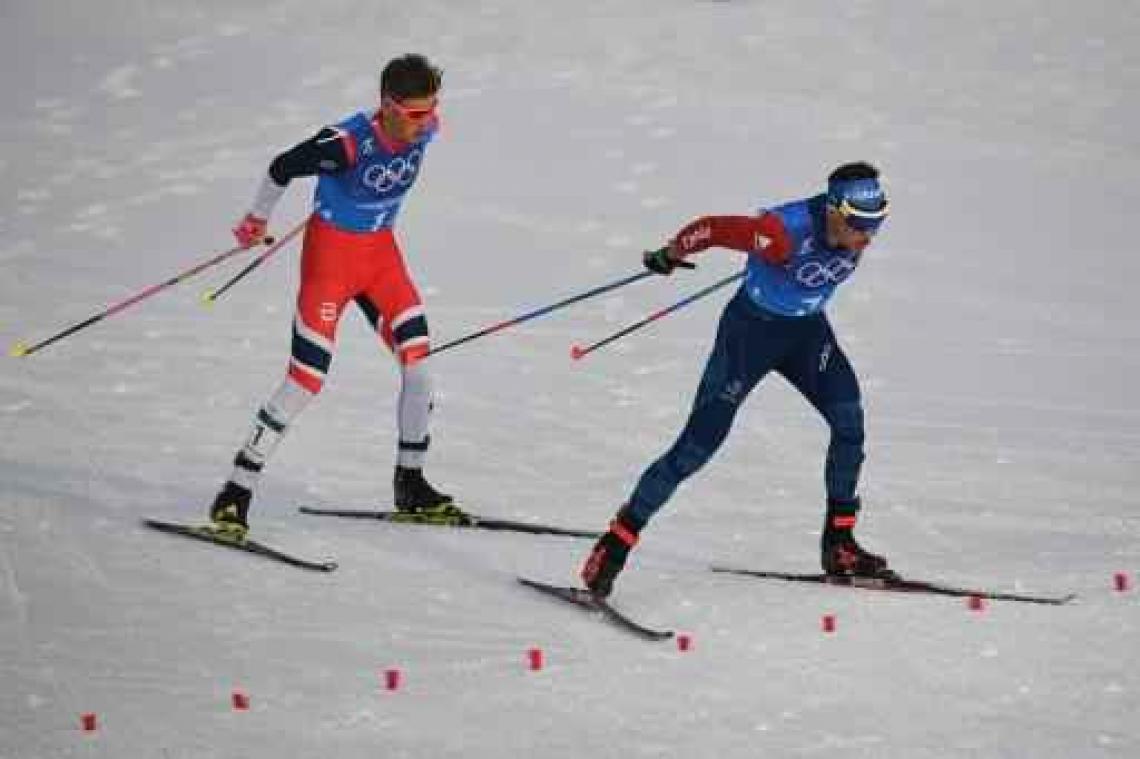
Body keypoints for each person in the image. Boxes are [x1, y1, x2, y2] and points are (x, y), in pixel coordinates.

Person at [581, 161, 894, 597]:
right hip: (749, 337)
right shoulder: (783, 231)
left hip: (806, 334)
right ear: (834, 213)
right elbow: (710, 229)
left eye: (877, 224)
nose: (868, 238)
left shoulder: (849, 228)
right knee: (697, 446)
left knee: (849, 423)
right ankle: (615, 543)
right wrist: (671, 253)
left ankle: (839, 544)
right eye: (861, 226)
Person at [207, 53, 466, 539]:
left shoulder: (424, 127)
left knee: (420, 363)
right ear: (387, 106)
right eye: (414, 113)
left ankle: (410, 482)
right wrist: (256, 220)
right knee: (306, 379)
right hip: (331, 266)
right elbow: (282, 166)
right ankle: (235, 491)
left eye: (431, 110)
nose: (426, 122)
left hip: (381, 260)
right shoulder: (346, 142)